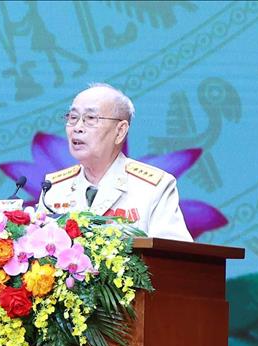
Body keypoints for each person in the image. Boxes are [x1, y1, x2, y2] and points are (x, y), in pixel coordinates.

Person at [39, 83, 192, 241]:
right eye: (73, 118)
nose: (77, 128)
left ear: (120, 131)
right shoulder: (53, 188)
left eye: (90, 118)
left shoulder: (153, 188)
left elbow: (174, 252)